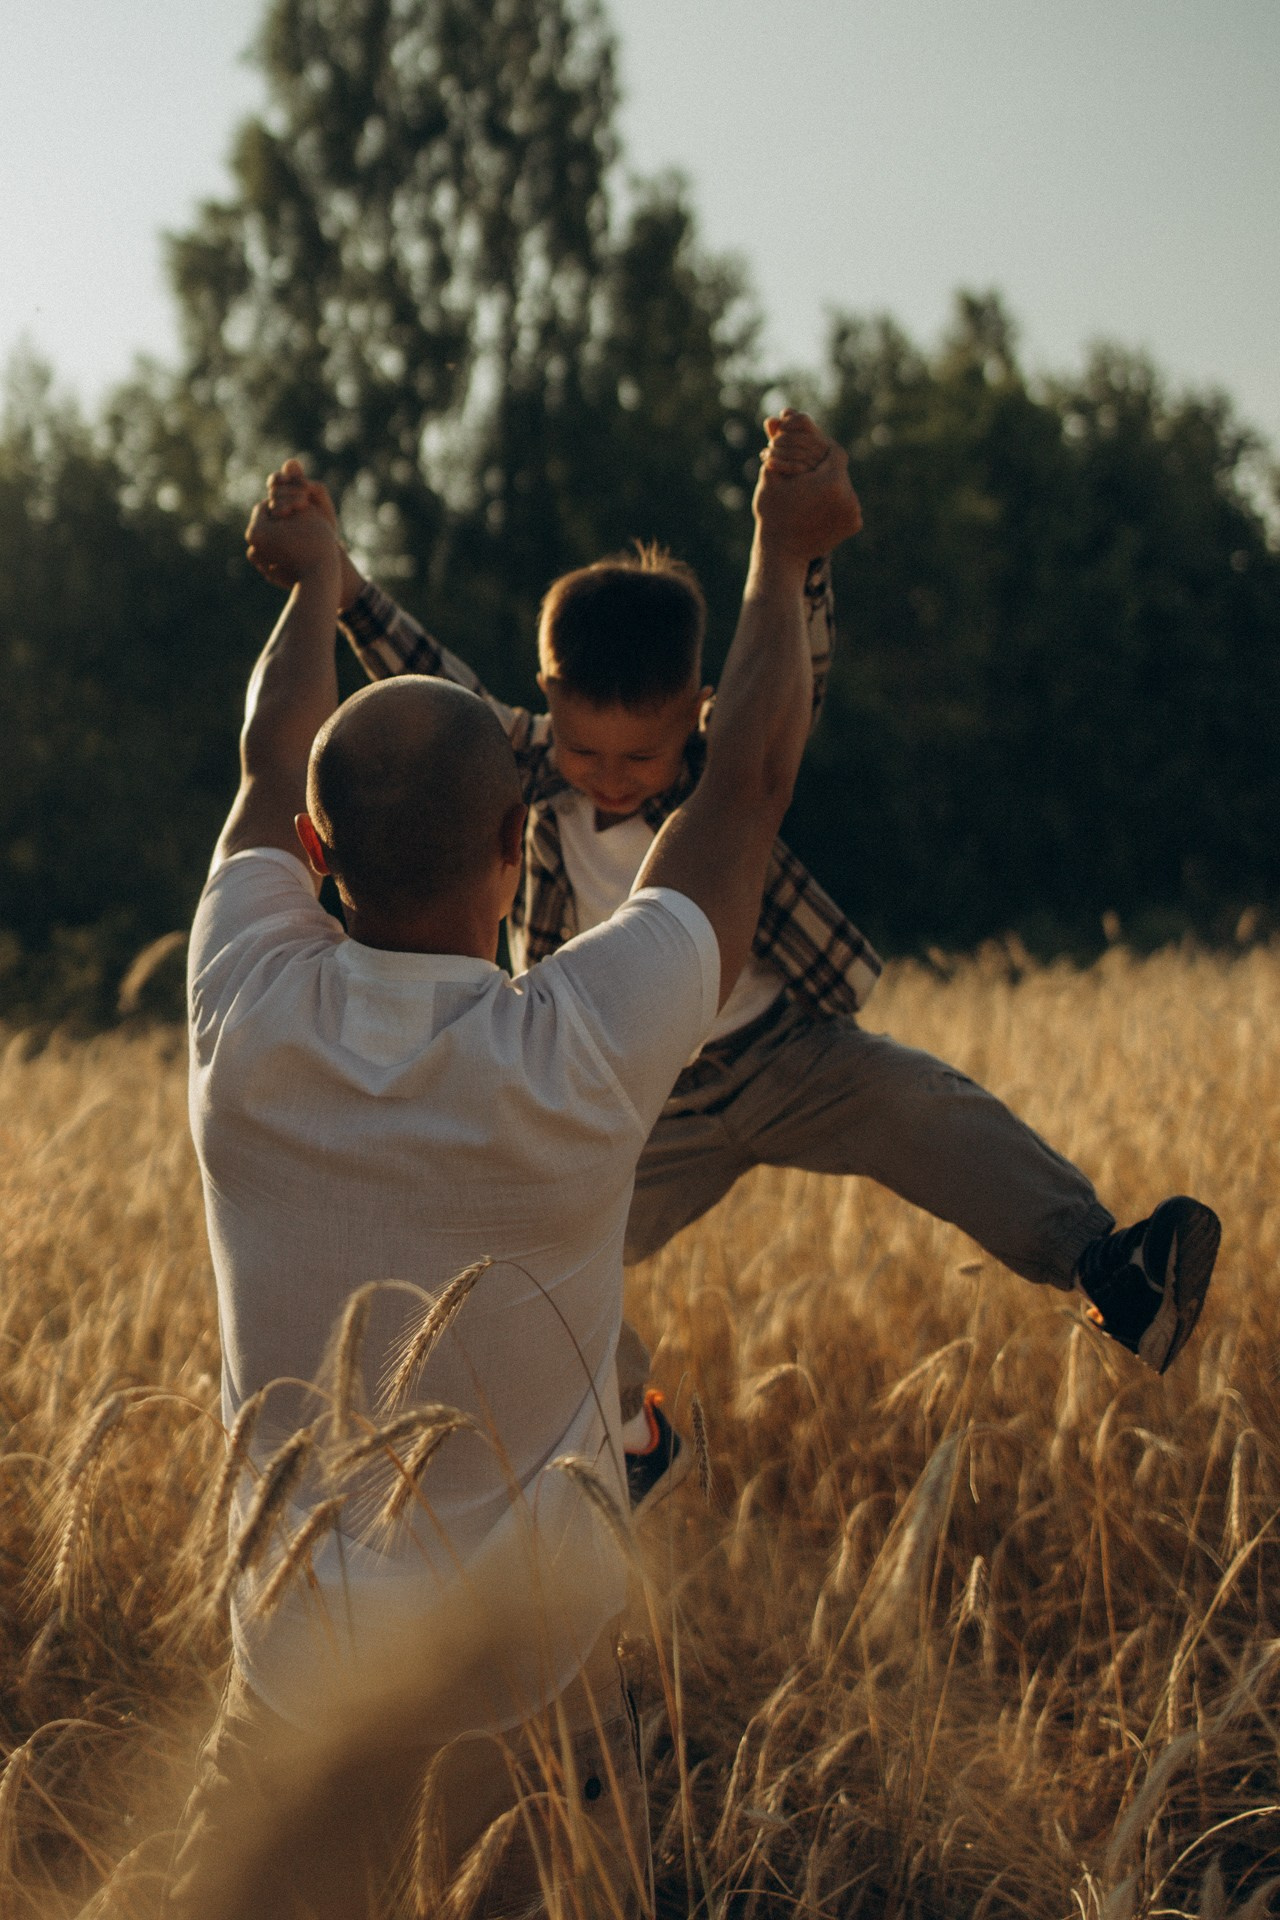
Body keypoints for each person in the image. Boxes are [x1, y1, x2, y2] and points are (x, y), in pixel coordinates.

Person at [171, 411, 862, 1919]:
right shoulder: (584, 1047)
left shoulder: (237, 1009)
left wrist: (313, 587)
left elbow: (265, 755)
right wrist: (781, 552)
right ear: (513, 849)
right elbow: (739, 788)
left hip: (287, 1671)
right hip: (531, 1687)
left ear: (319, 855)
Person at [260, 446, 1222, 1416]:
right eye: (585, 746)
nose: (612, 775)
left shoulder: (720, 764)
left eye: (642, 751)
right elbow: (432, 687)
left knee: (926, 1107)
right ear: (548, 702)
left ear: (697, 708)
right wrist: (340, 586)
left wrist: (800, 555)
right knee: (520, 1239)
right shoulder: (525, 768)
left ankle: (1109, 1269)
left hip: (786, 1057)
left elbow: (787, 672)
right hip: (635, 1102)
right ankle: (618, 1428)